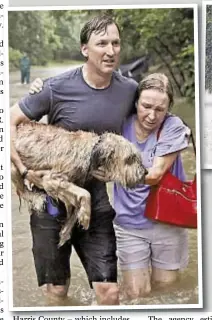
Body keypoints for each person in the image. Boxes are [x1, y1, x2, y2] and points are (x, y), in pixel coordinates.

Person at [10, 14, 138, 305]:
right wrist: (25, 171)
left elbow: (151, 115)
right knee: (57, 292)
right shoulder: (55, 88)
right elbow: (9, 122)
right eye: (102, 43)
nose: (111, 51)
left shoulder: (128, 89)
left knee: (110, 293)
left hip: (95, 193)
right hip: (50, 195)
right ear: (85, 49)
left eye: (116, 43)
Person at [113, 73, 191, 300]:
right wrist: (43, 89)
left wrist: (111, 172)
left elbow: (155, 174)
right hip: (129, 224)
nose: (151, 115)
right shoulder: (119, 123)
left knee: (166, 292)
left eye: (160, 109)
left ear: (169, 108)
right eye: (146, 106)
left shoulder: (173, 126)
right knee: (137, 294)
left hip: (167, 222)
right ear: (136, 102)